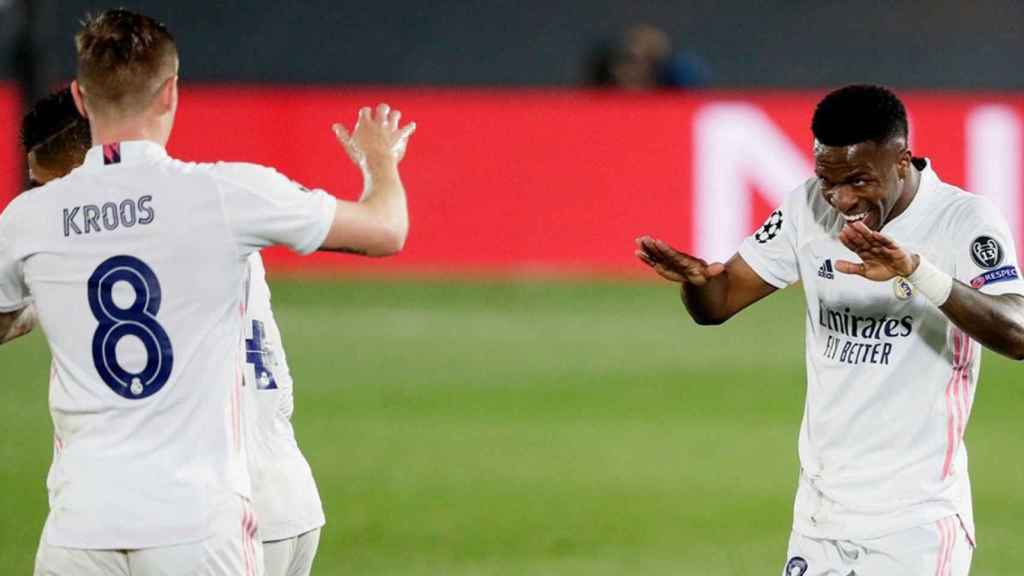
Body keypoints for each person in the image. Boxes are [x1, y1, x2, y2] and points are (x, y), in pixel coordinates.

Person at [0, 9, 415, 576]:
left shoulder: (28, 218)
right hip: (195, 522)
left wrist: (46, 304)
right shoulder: (225, 193)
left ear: (78, 96)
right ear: (171, 92)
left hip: (82, 525)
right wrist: (380, 162)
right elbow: (386, 230)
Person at [636, 84, 1024, 575]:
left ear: (902, 160)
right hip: (819, 518)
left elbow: (1017, 333)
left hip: (915, 524)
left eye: (860, 181)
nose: (842, 200)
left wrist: (916, 270)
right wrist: (695, 282)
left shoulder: (962, 219)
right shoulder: (806, 207)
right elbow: (719, 301)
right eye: (828, 181)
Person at [18, 86, 327, 576]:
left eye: (42, 185)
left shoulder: (98, 235)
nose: (39, 200)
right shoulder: (199, 210)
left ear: (83, 167)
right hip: (286, 496)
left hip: (209, 513)